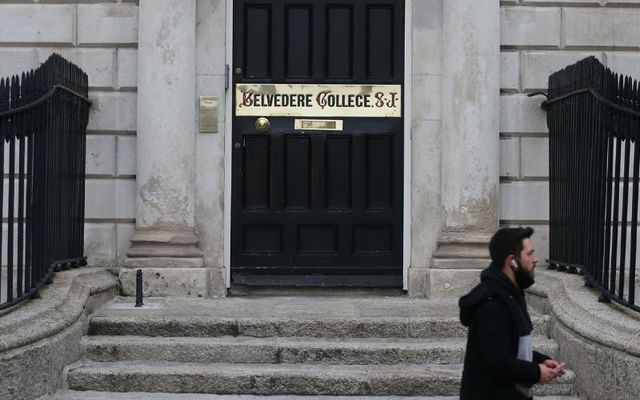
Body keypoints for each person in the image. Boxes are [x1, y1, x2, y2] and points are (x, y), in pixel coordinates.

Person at [458, 227, 566, 400]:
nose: (536, 259)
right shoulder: (492, 302)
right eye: (529, 254)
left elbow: (511, 347)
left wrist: (539, 361)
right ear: (512, 261)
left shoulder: (511, 293)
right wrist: (536, 372)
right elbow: (497, 361)